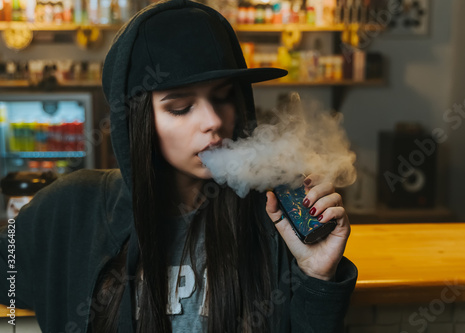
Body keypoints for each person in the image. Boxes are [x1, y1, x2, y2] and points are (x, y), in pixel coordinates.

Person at [0, 0, 358, 332]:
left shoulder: (275, 218)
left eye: (223, 97)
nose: (213, 121)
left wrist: (318, 277)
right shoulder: (73, 207)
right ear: (137, 122)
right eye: (181, 107)